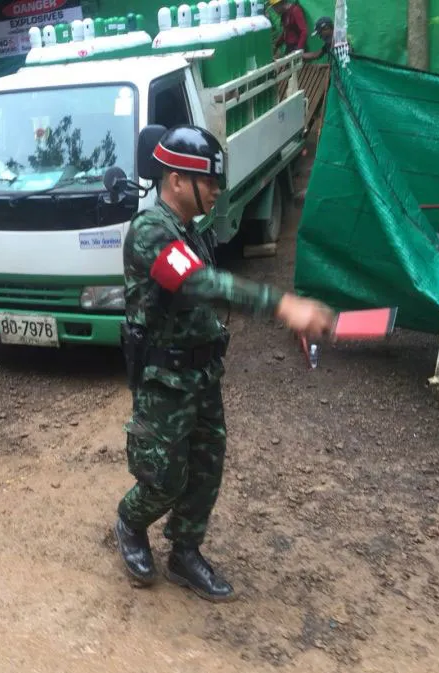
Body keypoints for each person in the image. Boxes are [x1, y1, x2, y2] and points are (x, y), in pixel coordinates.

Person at [115, 126, 334, 602]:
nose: (216, 190)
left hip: (201, 374)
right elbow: (198, 283)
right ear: (176, 181)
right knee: (164, 478)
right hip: (164, 380)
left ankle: (184, 553)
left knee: (206, 467)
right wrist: (282, 305)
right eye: (209, 182)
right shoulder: (150, 231)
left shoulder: (191, 231)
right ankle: (130, 523)